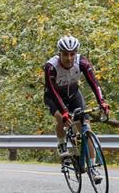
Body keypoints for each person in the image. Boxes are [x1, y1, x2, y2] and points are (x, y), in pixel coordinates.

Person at [45, 36, 110, 169]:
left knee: (85, 126)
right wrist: (63, 112)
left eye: (72, 54)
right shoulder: (51, 67)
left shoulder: (82, 62)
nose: (69, 58)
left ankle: (92, 165)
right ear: (59, 53)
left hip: (74, 96)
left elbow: (93, 83)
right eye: (65, 54)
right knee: (61, 119)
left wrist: (102, 102)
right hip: (54, 97)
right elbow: (53, 91)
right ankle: (62, 145)